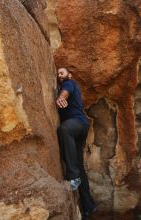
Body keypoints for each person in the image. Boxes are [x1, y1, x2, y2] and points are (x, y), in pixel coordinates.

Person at [56, 67, 96, 220]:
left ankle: (72, 177)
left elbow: (66, 91)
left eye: (62, 73)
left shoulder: (69, 83)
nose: (60, 75)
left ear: (69, 75)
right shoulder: (66, 84)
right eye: (58, 74)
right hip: (79, 130)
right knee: (80, 167)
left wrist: (61, 97)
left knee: (64, 129)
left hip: (77, 124)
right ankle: (89, 206)